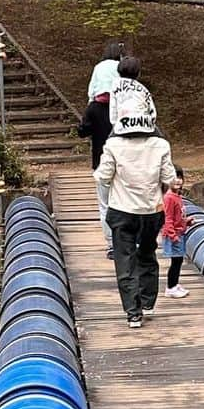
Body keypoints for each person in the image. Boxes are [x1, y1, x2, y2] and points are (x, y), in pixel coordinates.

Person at [95, 82, 176, 328]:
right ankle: (149, 300)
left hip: (122, 211)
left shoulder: (113, 146)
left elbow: (103, 177)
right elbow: (169, 178)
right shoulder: (161, 145)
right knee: (148, 252)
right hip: (151, 211)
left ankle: (133, 312)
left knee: (125, 260)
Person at [78, 41, 124, 256]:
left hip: (100, 160)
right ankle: (128, 242)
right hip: (125, 161)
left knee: (105, 204)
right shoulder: (126, 107)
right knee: (125, 201)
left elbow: (82, 131)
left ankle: (112, 244)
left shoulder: (94, 108)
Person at [161, 168, 192, 298]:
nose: (178, 180)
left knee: (178, 261)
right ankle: (171, 287)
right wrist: (173, 235)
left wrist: (186, 222)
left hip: (179, 232)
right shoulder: (169, 198)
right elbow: (167, 218)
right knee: (176, 261)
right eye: (174, 177)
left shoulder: (177, 196)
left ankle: (174, 284)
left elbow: (178, 216)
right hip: (174, 235)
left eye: (180, 177)